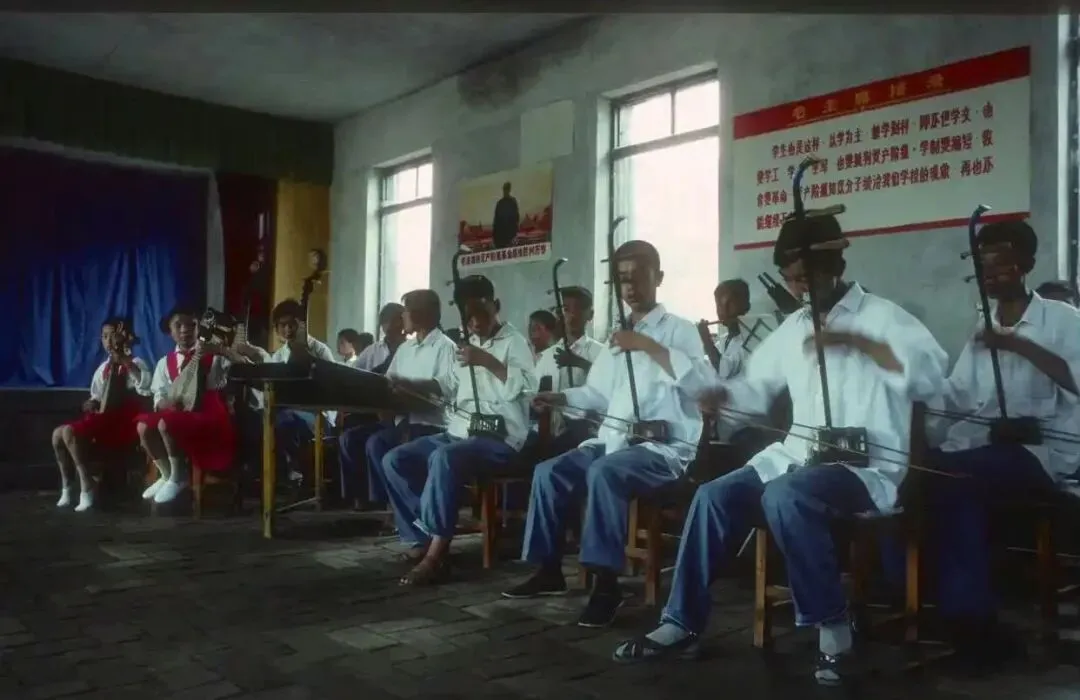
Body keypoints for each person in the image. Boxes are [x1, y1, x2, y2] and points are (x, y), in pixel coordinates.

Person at [611, 214, 947, 687]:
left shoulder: (886, 318)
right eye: (792, 279)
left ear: (835, 265)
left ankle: (835, 632)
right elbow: (754, 391)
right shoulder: (793, 328)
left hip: (866, 468)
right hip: (797, 457)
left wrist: (861, 344)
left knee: (786, 495)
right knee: (713, 496)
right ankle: (681, 622)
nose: (800, 288)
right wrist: (721, 396)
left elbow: (932, 381)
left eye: (807, 277)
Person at [502, 240, 713, 628]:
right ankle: (548, 570)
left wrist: (648, 346)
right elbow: (597, 394)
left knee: (605, 472)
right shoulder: (619, 336)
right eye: (622, 280)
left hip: (663, 450)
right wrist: (560, 398)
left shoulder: (680, 330)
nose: (629, 287)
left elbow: (703, 388)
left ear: (659, 277)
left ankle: (606, 584)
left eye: (638, 277)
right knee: (549, 471)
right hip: (614, 442)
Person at [925, 221, 1080, 670]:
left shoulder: (1062, 320)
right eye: (983, 267)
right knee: (924, 471)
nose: (989, 275)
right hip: (990, 448)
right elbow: (957, 394)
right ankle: (953, 611)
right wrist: (914, 392)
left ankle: (973, 621)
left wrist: (1018, 344)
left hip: (1046, 455)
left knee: (957, 479)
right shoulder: (985, 325)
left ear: (1026, 264)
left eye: (1000, 265)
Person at [381, 274, 536, 585]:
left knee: (445, 458)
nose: (475, 323)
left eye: (481, 313)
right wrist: (408, 384)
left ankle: (436, 555)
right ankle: (422, 536)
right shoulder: (467, 344)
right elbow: (448, 386)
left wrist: (488, 361)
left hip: (501, 438)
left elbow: (527, 388)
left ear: (496, 306)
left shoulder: (515, 342)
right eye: (468, 316)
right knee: (394, 460)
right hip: (461, 431)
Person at [354, 289, 457, 548]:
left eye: (407, 311)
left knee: (394, 451)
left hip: (433, 425)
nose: (403, 317)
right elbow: (389, 382)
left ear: (424, 314)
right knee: (375, 444)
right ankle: (412, 518)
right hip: (406, 421)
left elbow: (445, 389)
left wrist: (408, 385)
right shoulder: (406, 348)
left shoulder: (445, 347)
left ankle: (417, 526)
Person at [136, 306, 240, 505]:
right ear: (169, 330)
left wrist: (221, 350)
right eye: (178, 325)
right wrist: (165, 402)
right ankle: (166, 475)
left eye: (191, 325)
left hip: (208, 413)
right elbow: (159, 395)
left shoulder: (213, 355)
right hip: (177, 411)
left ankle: (178, 476)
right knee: (142, 426)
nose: (185, 330)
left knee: (165, 423)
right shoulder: (164, 363)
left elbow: (244, 364)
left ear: (200, 327)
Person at [53, 317, 152, 511]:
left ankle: (86, 484)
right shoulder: (102, 368)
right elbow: (97, 397)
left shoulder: (135, 362)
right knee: (57, 433)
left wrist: (122, 358)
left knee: (69, 432)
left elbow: (145, 387)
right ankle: (67, 486)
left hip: (123, 422)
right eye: (105, 337)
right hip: (104, 418)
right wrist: (91, 403)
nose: (109, 341)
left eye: (113, 336)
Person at [233, 299, 337, 483]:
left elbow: (332, 388)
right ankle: (269, 473)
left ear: (301, 324)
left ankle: (291, 470)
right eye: (283, 325)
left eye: (292, 324)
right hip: (287, 413)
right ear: (276, 328)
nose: (288, 329)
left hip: (318, 416)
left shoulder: (320, 350)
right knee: (255, 418)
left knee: (282, 419)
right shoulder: (279, 355)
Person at [533, 286, 605, 453]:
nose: (572, 316)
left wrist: (580, 363)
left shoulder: (601, 353)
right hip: (549, 434)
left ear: (590, 314)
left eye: (578, 309)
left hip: (588, 435)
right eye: (566, 309)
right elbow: (535, 394)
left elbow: (608, 387)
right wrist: (537, 403)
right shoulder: (547, 356)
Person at [698, 279, 752, 379]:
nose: (722, 312)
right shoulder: (723, 340)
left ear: (746, 307)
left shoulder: (749, 342)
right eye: (719, 305)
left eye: (728, 305)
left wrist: (707, 340)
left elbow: (724, 370)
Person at [354, 304, 406, 372]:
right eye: (384, 321)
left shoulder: (410, 348)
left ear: (402, 322)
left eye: (393, 320)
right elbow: (353, 369)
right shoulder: (372, 350)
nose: (387, 325)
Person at [492, 181, 520, 249]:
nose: (505, 191)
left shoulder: (512, 201)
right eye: (504, 189)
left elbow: (516, 217)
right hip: (501, 234)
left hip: (510, 233)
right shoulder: (500, 203)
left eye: (506, 189)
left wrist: (515, 230)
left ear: (509, 190)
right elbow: (496, 219)